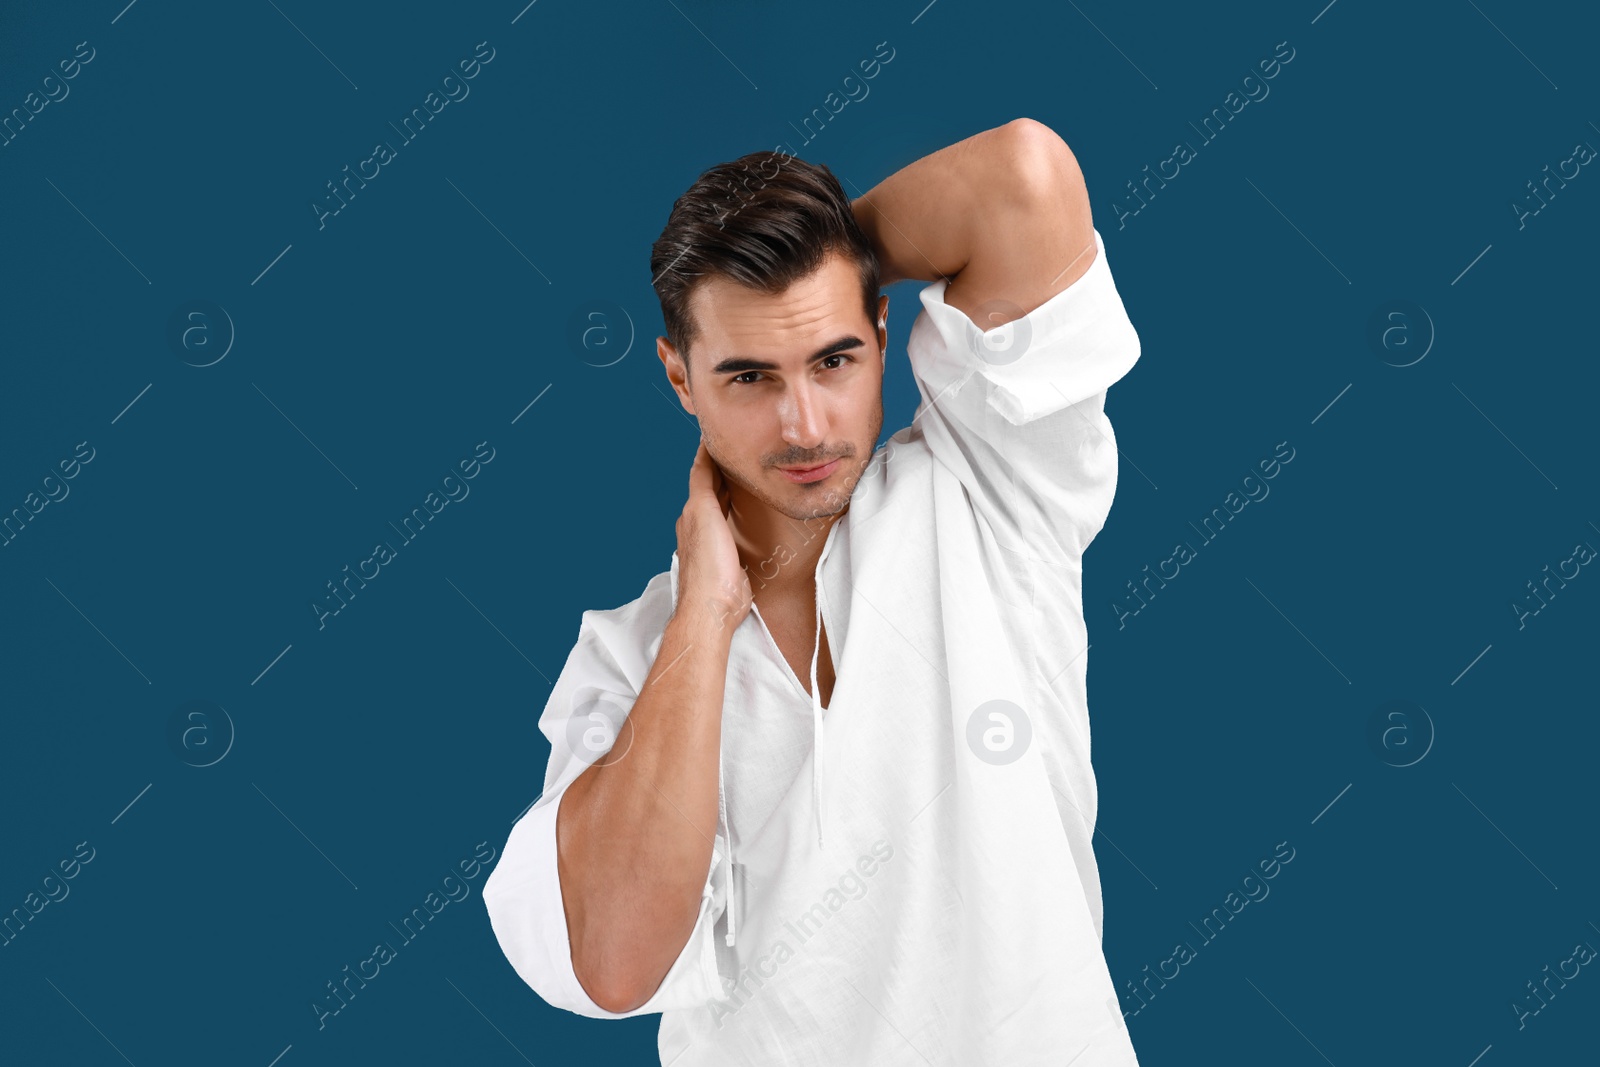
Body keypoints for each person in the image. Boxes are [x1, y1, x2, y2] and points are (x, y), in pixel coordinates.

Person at [483, 117, 1144, 1065]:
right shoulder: (630, 659)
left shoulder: (986, 490)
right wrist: (707, 613)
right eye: (749, 374)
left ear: (882, 334)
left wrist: (833, 250)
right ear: (679, 378)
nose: (805, 424)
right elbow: (616, 963)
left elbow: (1024, 178)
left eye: (833, 358)